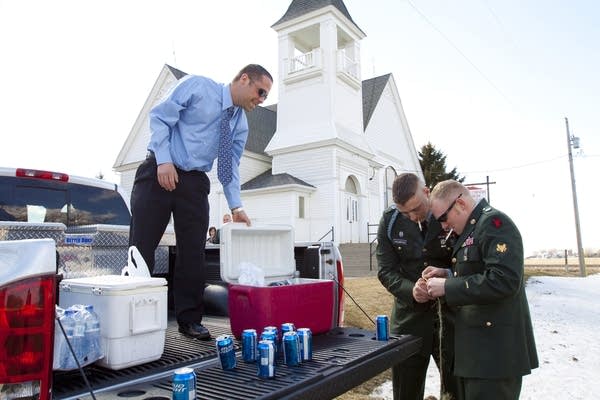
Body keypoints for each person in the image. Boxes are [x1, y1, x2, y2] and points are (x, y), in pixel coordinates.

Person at [129, 64, 273, 340]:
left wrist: (236, 206)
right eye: (260, 92)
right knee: (141, 249)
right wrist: (164, 160)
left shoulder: (239, 123)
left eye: (265, 96)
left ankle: (189, 321)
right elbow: (160, 117)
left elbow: (229, 166)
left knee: (193, 253)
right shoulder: (197, 87)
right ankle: (134, 320)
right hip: (159, 171)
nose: (262, 100)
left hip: (194, 183)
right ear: (244, 79)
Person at [424, 180, 539, 400]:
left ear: (460, 204)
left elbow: (504, 280)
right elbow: (477, 271)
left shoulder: (495, 223)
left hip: (495, 355)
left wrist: (448, 287)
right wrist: (447, 274)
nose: (443, 226)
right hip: (477, 354)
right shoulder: (473, 228)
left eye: (443, 218)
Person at [376, 173, 458, 400]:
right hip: (409, 321)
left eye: (417, 208)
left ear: (427, 192)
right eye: (405, 212)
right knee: (405, 391)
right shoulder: (390, 221)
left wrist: (448, 278)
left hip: (450, 318)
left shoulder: (449, 215)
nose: (413, 216)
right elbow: (385, 271)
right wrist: (410, 290)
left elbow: (466, 261)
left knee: (456, 390)